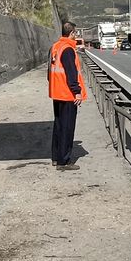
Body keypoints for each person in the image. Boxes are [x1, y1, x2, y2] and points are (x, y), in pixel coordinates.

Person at [49, 22, 87, 170]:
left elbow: (49, 71)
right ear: (71, 33)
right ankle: (63, 161)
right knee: (67, 127)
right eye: (75, 33)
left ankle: (56, 157)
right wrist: (76, 91)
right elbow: (72, 73)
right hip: (67, 94)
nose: (76, 35)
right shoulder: (68, 50)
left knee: (58, 126)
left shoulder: (55, 47)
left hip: (57, 93)